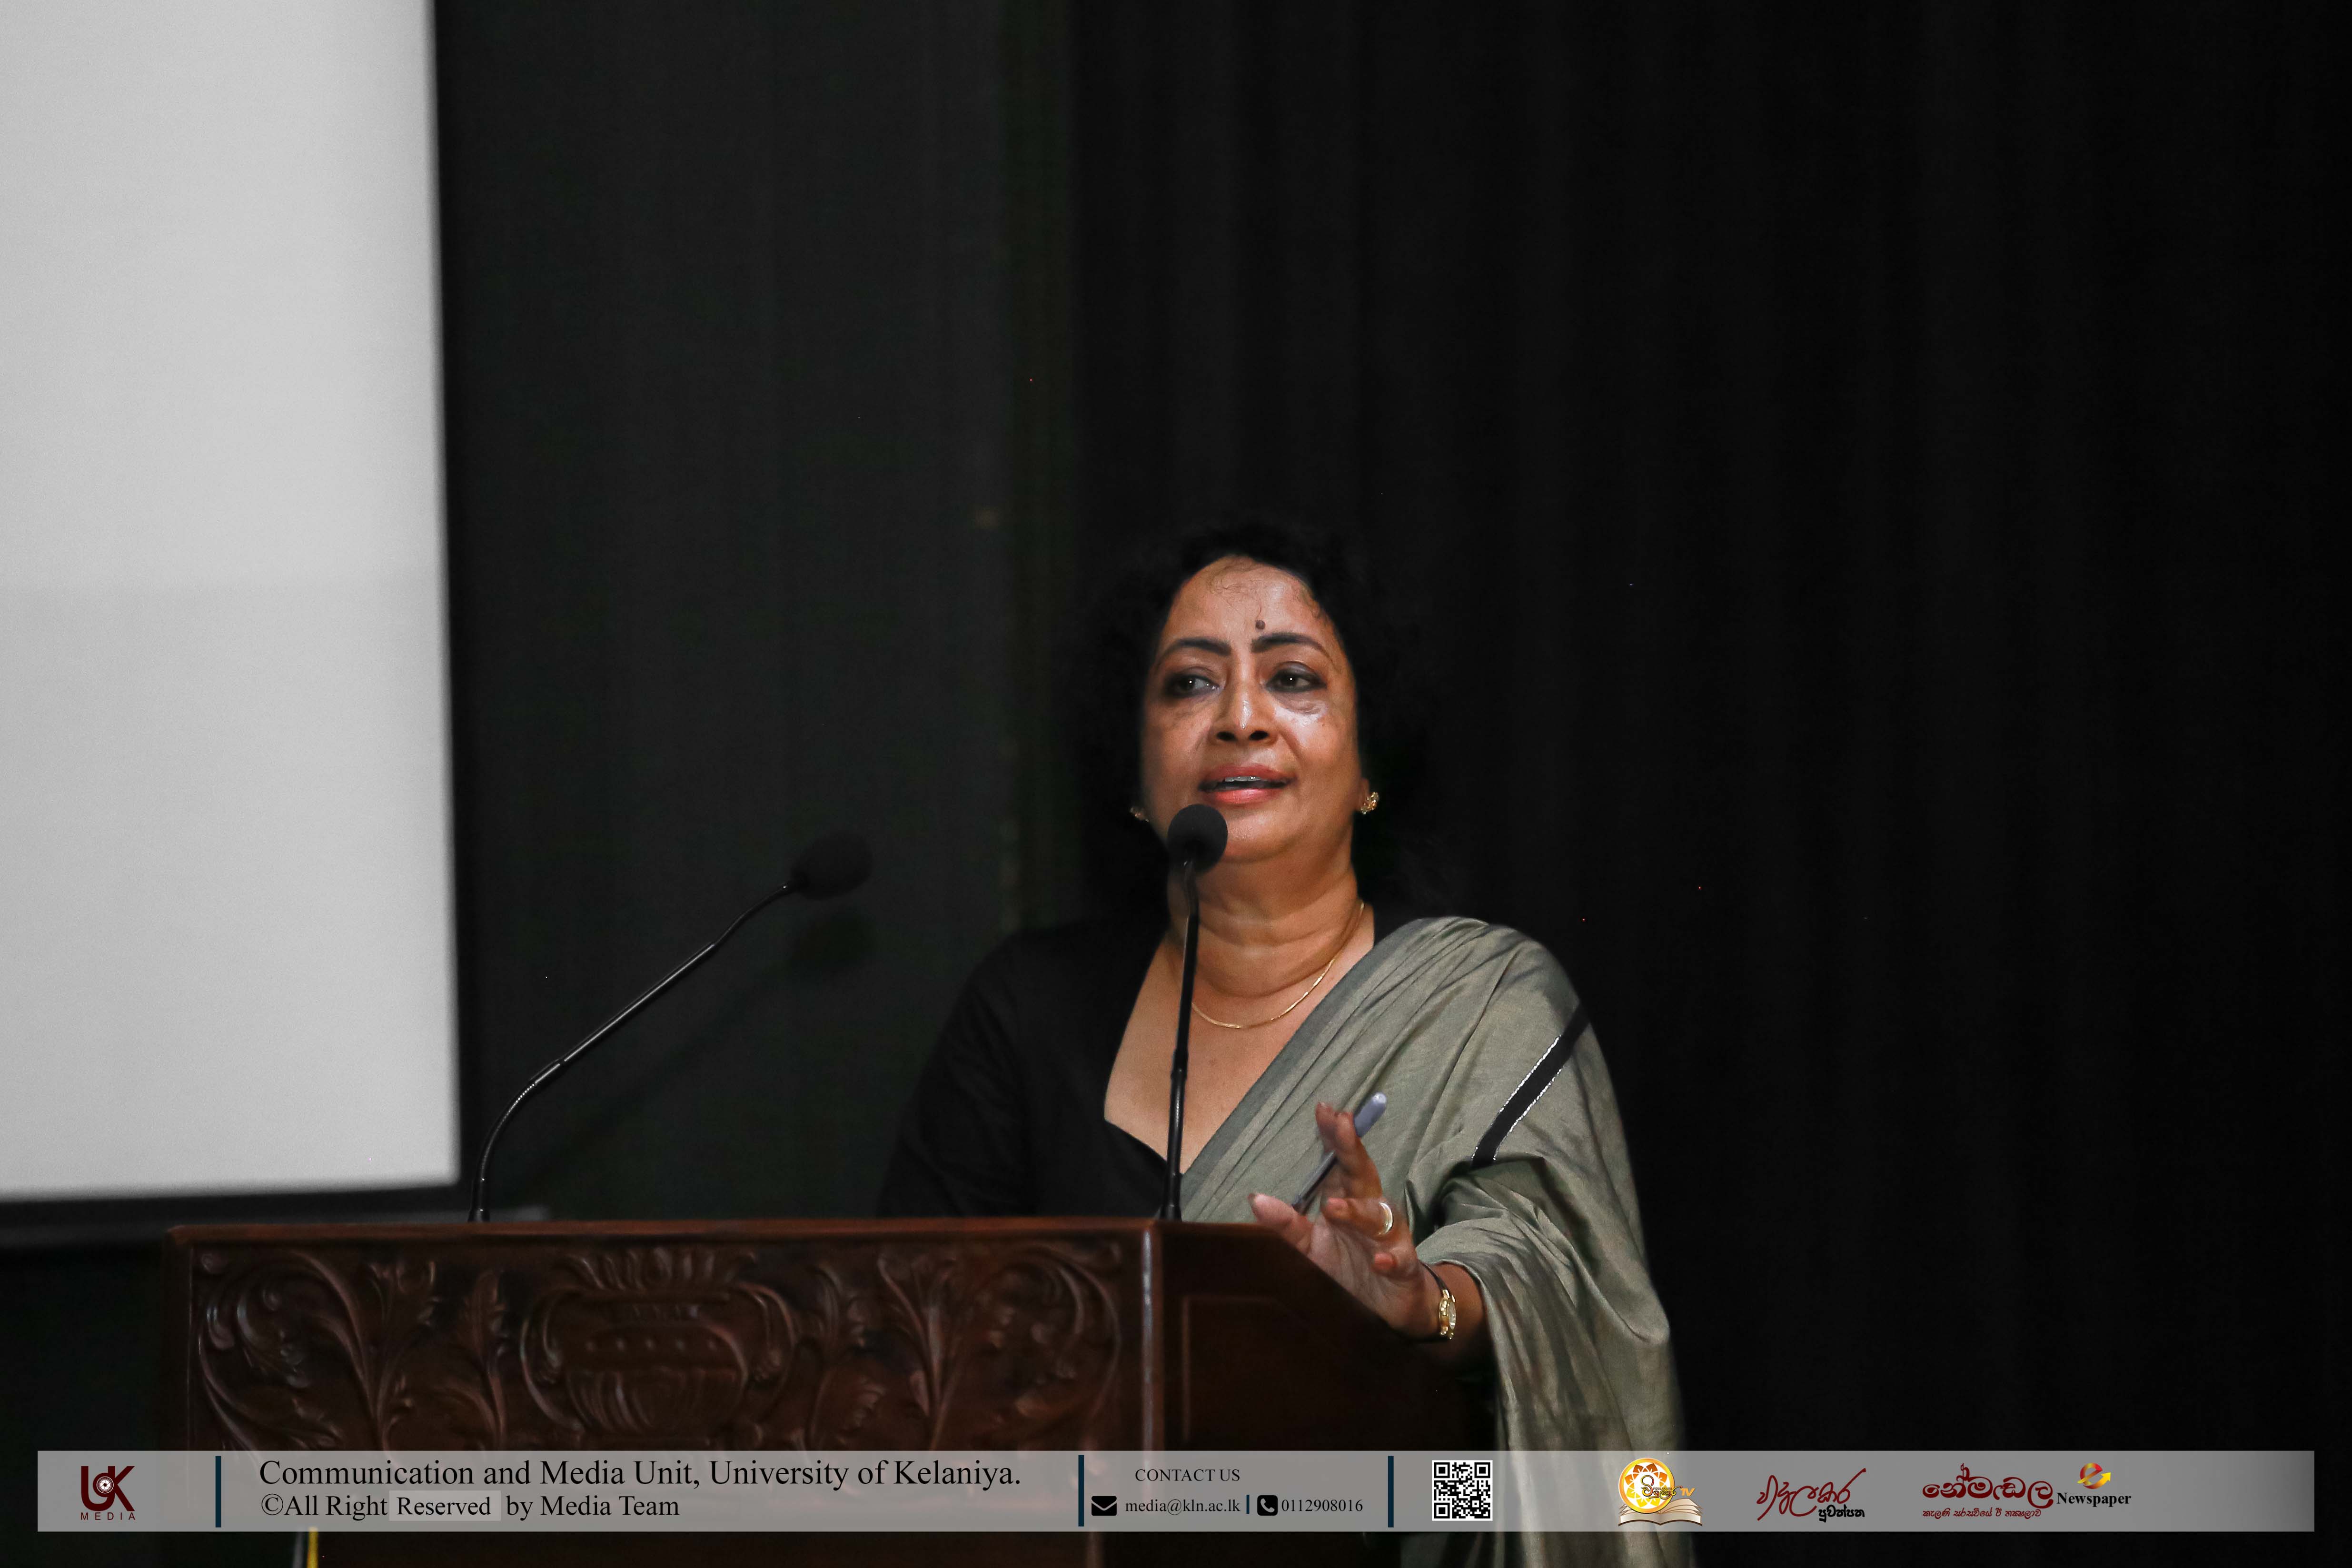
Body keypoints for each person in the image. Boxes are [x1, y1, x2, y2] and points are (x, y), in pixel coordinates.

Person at [880, 516, 1684, 1567]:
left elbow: (1564, 1292)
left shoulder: (1483, 1001)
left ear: (1368, 764)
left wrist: (1423, 1300)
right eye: (1188, 684)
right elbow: (901, 1342)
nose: (1239, 719)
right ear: (1133, 774)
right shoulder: (1028, 1007)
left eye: (1292, 679)